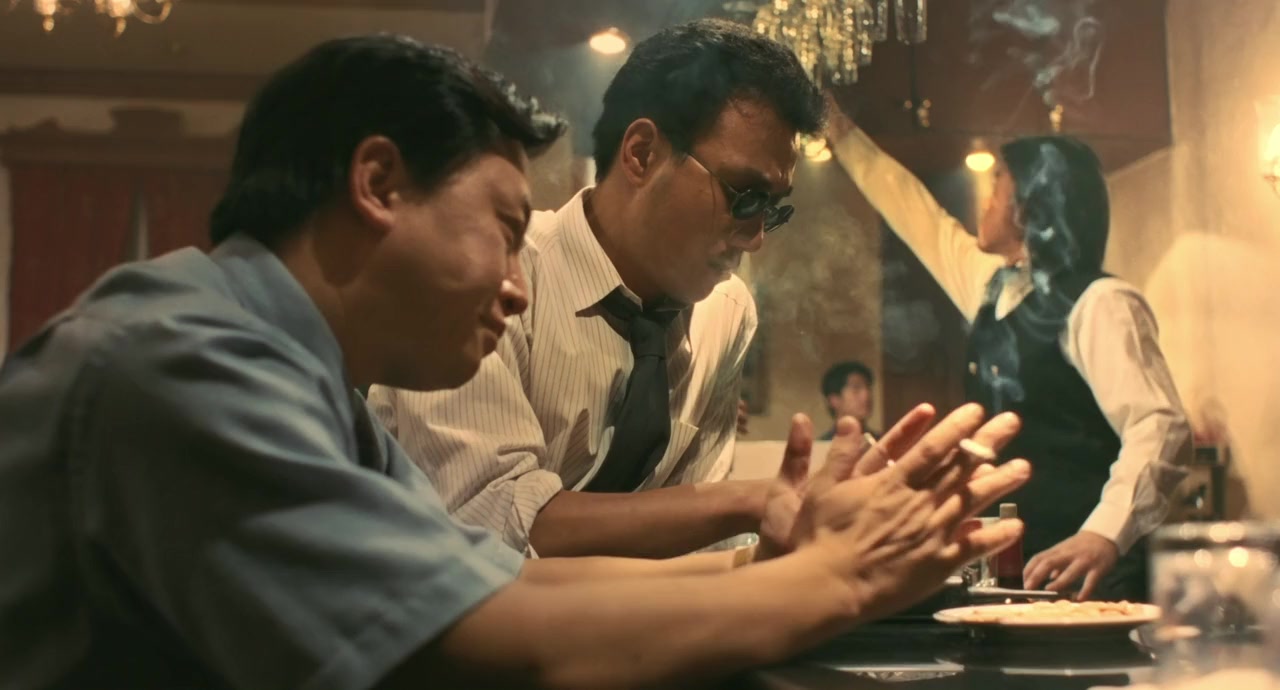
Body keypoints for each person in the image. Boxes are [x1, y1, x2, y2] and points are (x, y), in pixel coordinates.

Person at [0, 34, 1032, 689]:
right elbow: (489, 639)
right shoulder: (180, 362)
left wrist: (791, 561)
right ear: (378, 184)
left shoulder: (304, 381)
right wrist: (839, 579)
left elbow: (501, 583)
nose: (517, 282)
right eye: (502, 228)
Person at [370, 19, 827, 559]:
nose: (755, 239)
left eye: (772, 209)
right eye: (744, 195)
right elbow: (490, 530)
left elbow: (697, 546)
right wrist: (747, 500)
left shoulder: (726, 312)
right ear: (641, 153)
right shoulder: (493, 280)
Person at [827, 100, 1193, 601]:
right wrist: (837, 129)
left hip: (1092, 575)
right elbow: (916, 213)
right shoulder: (993, 288)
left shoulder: (1100, 302)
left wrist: (1104, 533)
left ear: (1029, 206)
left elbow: (1159, 425)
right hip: (1015, 566)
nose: (986, 197)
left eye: (998, 180)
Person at [819, 360, 878, 441]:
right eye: (856, 388)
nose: (866, 395)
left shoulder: (881, 441)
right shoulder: (822, 445)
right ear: (834, 399)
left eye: (868, 388)